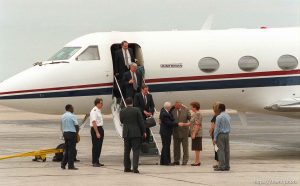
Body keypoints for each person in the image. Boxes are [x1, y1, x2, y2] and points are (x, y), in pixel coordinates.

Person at [120, 97, 147, 174]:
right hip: (136, 133)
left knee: (126, 151)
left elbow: (122, 121)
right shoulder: (136, 110)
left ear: (126, 102)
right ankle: (135, 168)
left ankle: (126, 167)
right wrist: (144, 131)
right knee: (136, 151)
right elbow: (141, 121)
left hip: (126, 133)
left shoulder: (122, 111)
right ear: (132, 102)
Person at [179, 102, 202, 166]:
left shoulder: (198, 114)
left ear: (195, 107)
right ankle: (197, 161)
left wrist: (194, 133)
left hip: (197, 133)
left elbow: (197, 124)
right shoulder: (195, 114)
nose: (191, 108)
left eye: (192, 107)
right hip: (195, 133)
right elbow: (191, 123)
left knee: (197, 148)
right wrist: (183, 124)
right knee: (196, 148)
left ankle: (197, 162)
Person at [171, 101, 191, 165]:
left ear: (181, 105)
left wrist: (188, 124)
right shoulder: (172, 111)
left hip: (184, 132)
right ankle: (176, 160)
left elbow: (190, 118)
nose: (176, 107)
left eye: (178, 106)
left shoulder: (186, 110)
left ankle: (185, 161)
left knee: (185, 147)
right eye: (175, 106)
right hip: (175, 132)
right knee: (176, 148)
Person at [213, 103, 231, 171]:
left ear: (219, 109)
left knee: (220, 151)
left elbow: (217, 128)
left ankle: (221, 166)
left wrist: (214, 138)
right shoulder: (228, 116)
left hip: (220, 135)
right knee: (227, 151)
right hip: (227, 134)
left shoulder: (219, 117)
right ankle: (227, 166)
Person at [61, 104, 79, 170]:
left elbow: (62, 126)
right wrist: (76, 134)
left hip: (65, 133)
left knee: (67, 150)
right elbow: (77, 126)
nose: (73, 109)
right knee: (71, 150)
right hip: (71, 134)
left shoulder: (63, 116)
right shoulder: (72, 116)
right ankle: (70, 166)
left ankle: (63, 164)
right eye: (72, 108)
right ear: (69, 108)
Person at [159, 101, 177, 166]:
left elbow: (168, 111)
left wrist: (173, 107)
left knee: (165, 146)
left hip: (164, 132)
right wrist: (177, 124)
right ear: (168, 107)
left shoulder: (163, 110)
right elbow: (169, 123)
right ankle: (167, 162)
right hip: (166, 132)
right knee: (166, 147)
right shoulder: (164, 114)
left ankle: (162, 161)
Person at [90, 98, 105, 167]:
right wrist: (97, 132)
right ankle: (94, 161)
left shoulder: (98, 110)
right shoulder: (94, 111)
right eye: (101, 103)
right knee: (96, 146)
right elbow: (94, 122)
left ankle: (97, 160)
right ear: (97, 103)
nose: (102, 104)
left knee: (99, 146)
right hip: (96, 129)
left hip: (100, 128)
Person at [209, 102, 221, 168]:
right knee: (217, 148)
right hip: (216, 134)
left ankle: (218, 162)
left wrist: (211, 131)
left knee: (216, 148)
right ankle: (218, 162)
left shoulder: (216, 116)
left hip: (215, 134)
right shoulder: (219, 115)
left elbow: (214, 125)